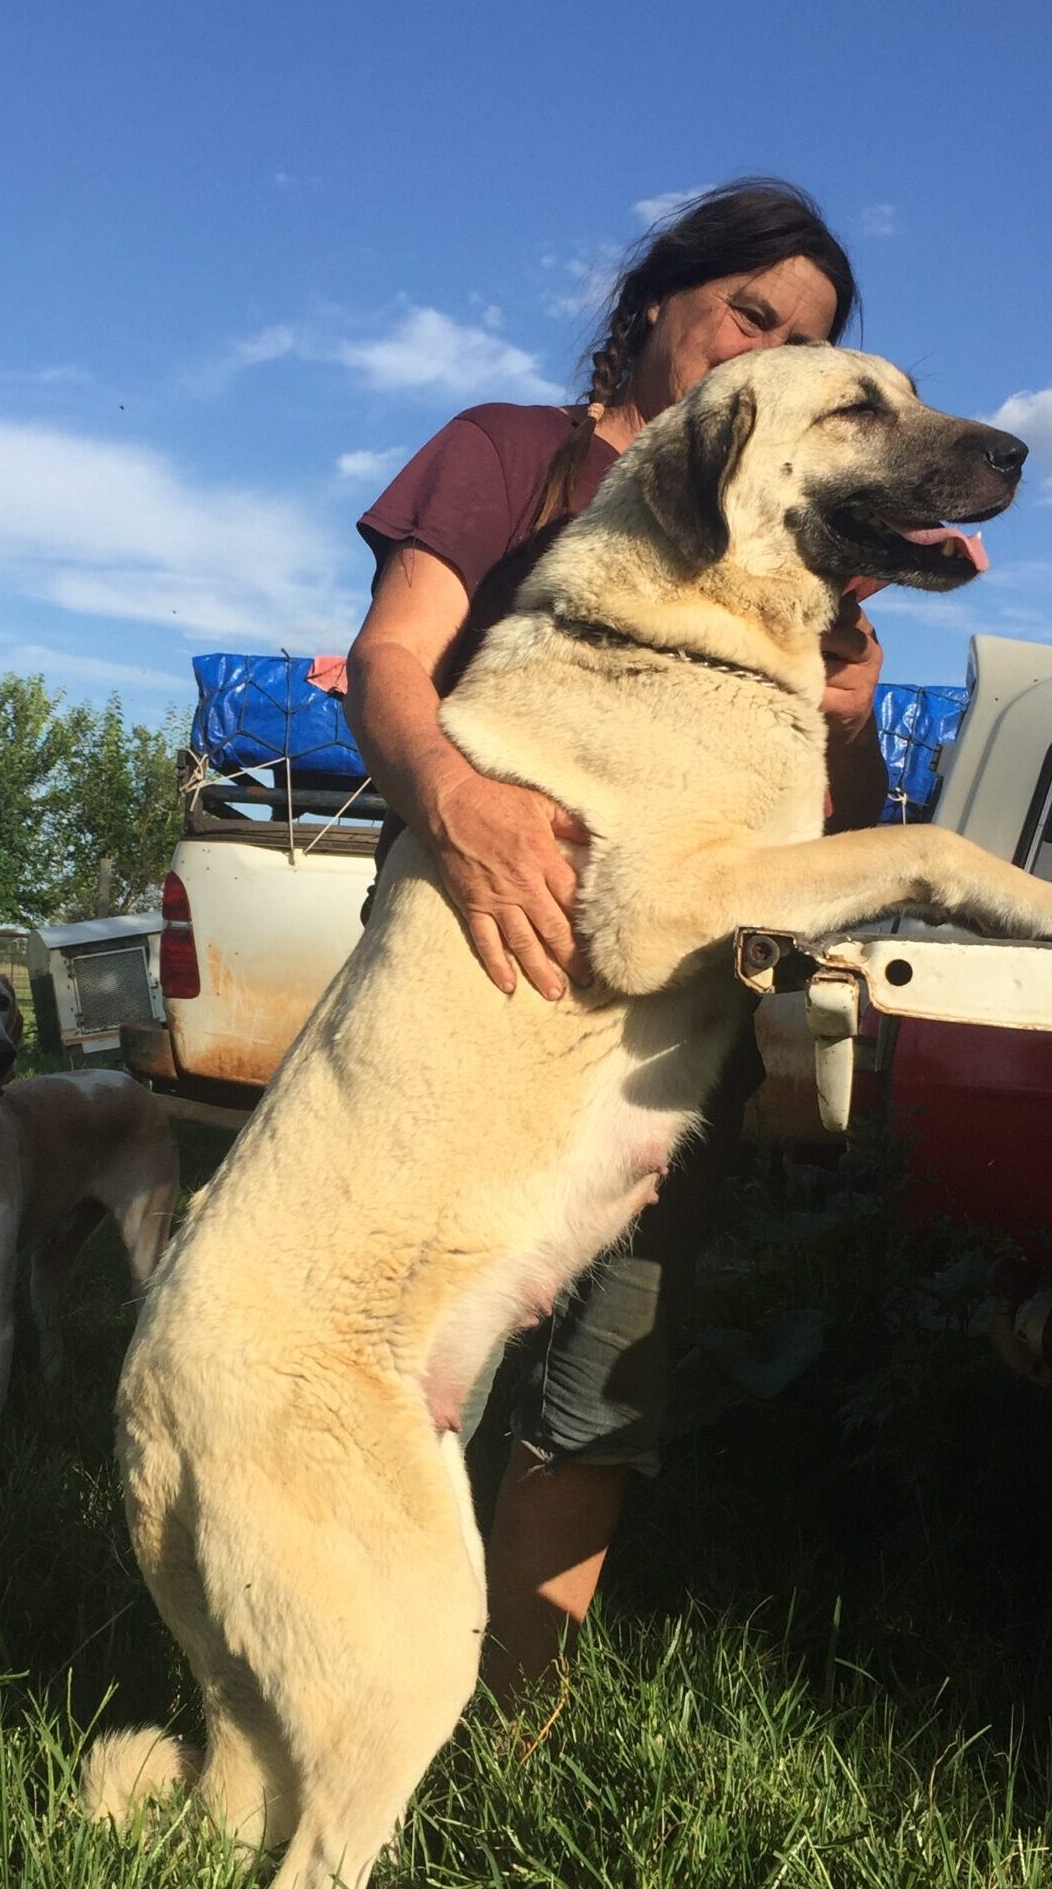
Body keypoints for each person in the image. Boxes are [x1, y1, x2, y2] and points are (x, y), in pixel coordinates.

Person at [344, 181, 887, 1705]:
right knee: (390, 1365)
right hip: (474, 985)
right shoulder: (508, 456)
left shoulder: (797, 528)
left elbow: (824, 831)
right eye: (747, 313)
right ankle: (362, 1685)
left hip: (657, 1038)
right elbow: (390, 661)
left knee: (597, 1395)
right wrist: (448, 795)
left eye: (799, 340)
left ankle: (509, 1739)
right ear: (656, 299)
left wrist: (841, 716)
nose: (757, 350)